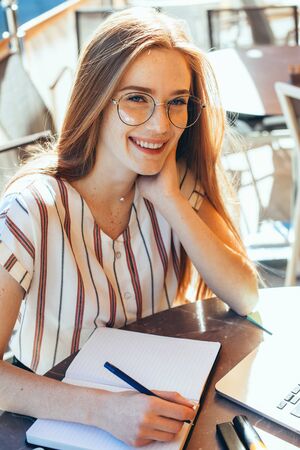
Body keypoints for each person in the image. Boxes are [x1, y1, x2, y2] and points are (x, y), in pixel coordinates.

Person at [0, 7, 258, 447]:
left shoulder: (176, 187)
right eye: (137, 98)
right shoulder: (33, 208)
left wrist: (170, 200)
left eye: (177, 102)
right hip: (57, 429)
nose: (161, 125)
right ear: (97, 100)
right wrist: (102, 410)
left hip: (164, 414)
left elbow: (245, 295)